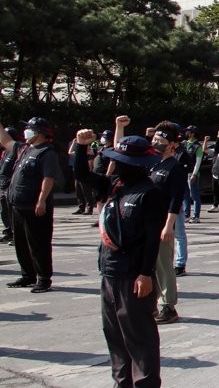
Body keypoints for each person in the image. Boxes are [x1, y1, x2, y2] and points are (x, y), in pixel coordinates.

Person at [72, 131, 167, 388]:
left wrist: (146, 274)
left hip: (134, 276)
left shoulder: (149, 193)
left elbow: (152, 239)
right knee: (114, 335)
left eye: (122, 161)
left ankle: (145, 384)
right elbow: (81, 174)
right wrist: (81, 147)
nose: (117, 165)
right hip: (110, 272)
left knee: (139, 337)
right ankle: (121, 383)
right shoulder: (114, 185)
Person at [1, 117, 62, 293]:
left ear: (40, 133)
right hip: (18, 205)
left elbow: (48, 178)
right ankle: (27, 275)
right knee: (21, 243)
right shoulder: (25, 149)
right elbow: (5, 140)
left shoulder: (47, 152)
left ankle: (43, 279)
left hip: (35, 206)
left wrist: (42, 200)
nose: (26, 131)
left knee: (38, 243)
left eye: (30, 129)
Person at [143, 119, 189, 323]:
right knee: (148, 265)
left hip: (163, 222)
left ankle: (168, 306)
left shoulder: (174, 168)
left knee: (163, 265)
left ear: (172, 145)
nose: (156, 142)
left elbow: (175, 201)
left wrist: (168, 226)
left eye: (160, 139)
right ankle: (150, 303)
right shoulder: (151, 164)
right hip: (146, 221)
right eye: (154, 138)